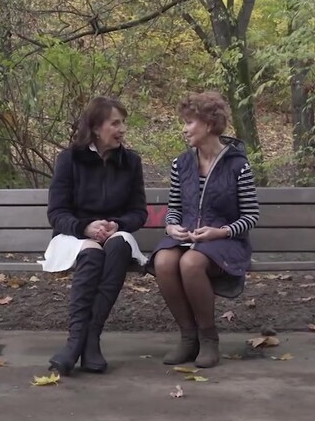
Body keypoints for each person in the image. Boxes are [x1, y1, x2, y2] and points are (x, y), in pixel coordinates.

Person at [148, 91, 259, 368]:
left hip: (226, 240)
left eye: (189, 123)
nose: (184, 129)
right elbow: (174, 207)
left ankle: (208, 337)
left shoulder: (238, 165)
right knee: (163, 261)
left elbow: (250, 216)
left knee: (190, 263)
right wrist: (172, 226)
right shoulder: (181, 164)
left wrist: (220, 232)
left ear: (209, 125)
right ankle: (188, 337)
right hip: (187, 237)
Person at [42, 96, 148, 375]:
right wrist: (85, 228)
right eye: (115, 123)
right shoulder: (69, 160)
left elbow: (139, 213)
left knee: (118, 247)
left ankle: (88, 340)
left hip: (115, 234)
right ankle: (77, 341)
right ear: (96, 128)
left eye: (123, 123)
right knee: (91, 252)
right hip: (73, 235)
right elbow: (57, 213)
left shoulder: (131, 162)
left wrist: (116, 224)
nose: (122, 129)